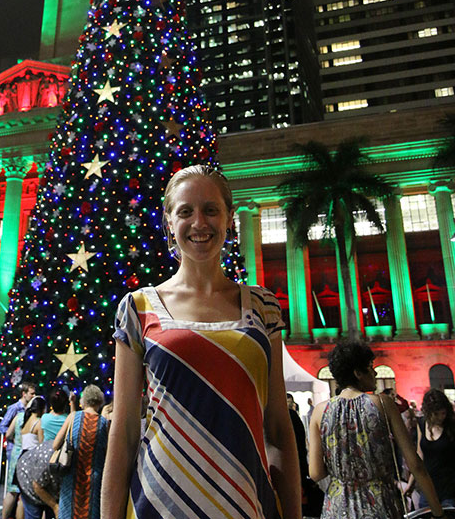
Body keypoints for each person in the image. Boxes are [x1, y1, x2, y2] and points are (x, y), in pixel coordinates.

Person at [101, 164, 301, 519]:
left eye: (211, 210)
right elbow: (125, 429)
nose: (199, 223)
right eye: (185, 212)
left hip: (244, 504)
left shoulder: (264, 307)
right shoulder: (137, 307)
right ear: (169, 223)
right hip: (157, 505)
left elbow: (277, 428)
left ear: (229, 220)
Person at [308, 340, 445, 518]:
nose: (374, 372)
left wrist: (342, 468)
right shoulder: (382, 403)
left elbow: (316, 473)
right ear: (358, 373)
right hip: (380, 505)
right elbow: (415, 464)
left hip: (337, 507)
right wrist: (438, 512)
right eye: (370, 367)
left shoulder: (320, 411)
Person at [53, 385, 109, 519]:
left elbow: (56, 445)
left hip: (71, 475)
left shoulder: (73, 417)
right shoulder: (104, 423)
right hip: (94, 479)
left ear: (84, 401)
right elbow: (107, 454)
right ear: (100, 402)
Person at [0, 382, 36, 519]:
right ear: (24, 393)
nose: (33, 396)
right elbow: (3, 427)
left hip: (22, 450)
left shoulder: (30, 410)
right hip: (14, 449)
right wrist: (15, 438)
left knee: (19, 488)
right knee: (15, 487)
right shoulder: (15, 409)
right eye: (31, 393)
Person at [416, 388, 455, 510]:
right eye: (436, 414)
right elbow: (419, 454)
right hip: (428, 486)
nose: (441, 417)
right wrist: (412, 482)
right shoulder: (422, 423)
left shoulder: (451, 426)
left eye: (443, 413)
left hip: (449, 485)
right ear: (429, 412)